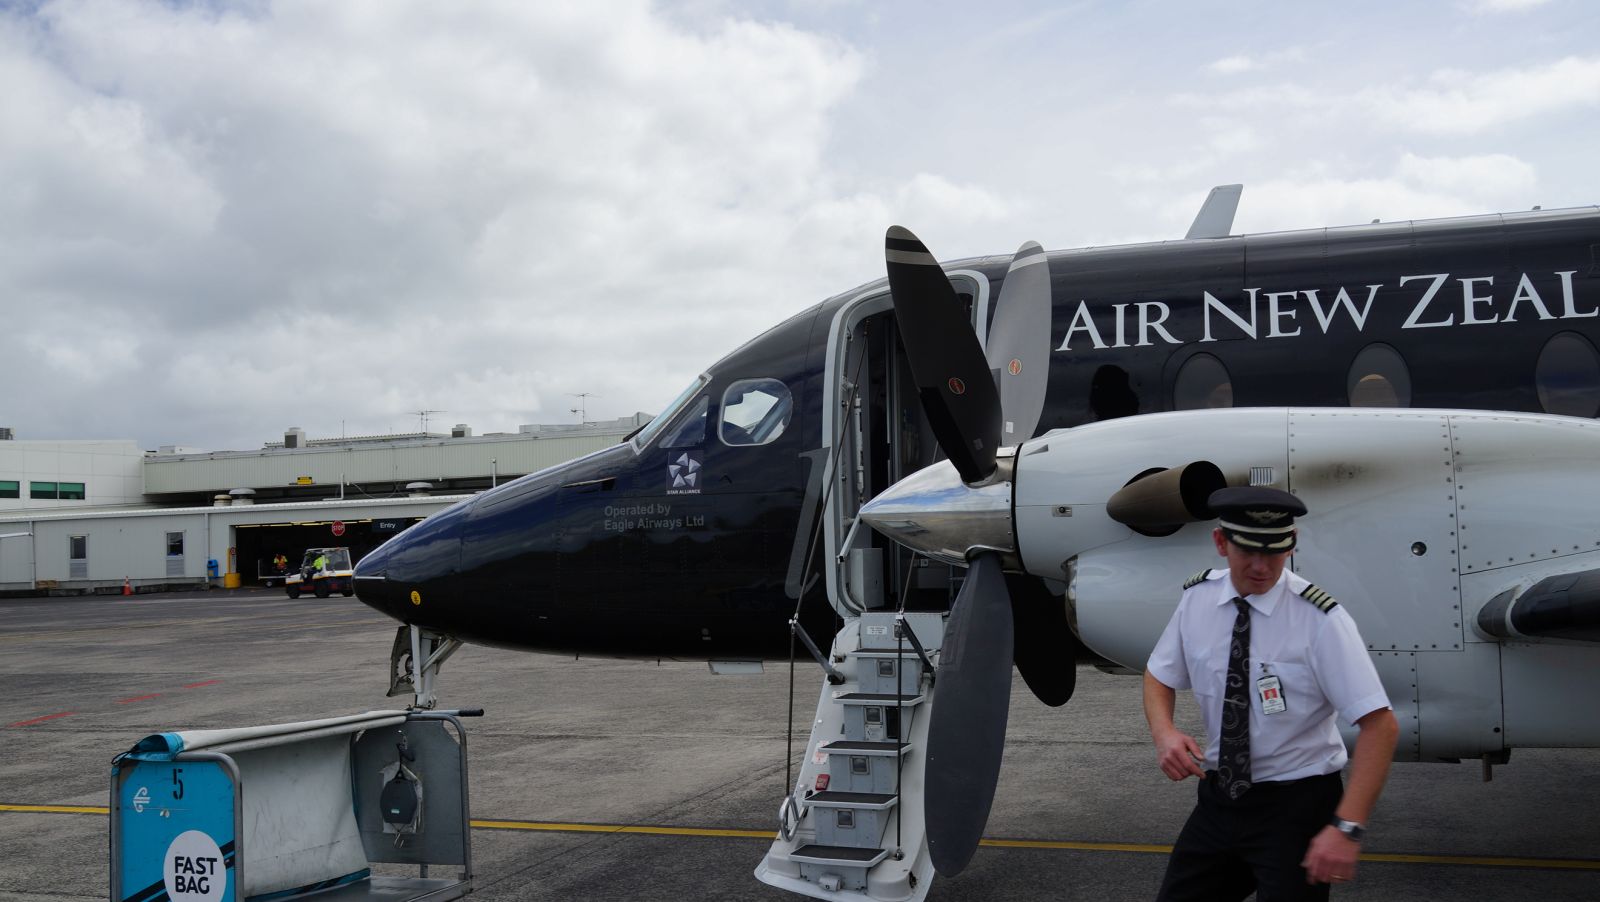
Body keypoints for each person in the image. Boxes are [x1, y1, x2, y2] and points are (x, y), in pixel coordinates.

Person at [1143, 486, 1399, 901]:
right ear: (1221, 543)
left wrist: (1347, 827)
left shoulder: (1320, 620)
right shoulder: (1198, 600)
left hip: (1296, 807)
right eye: (1248, 552)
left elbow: (1380, 725)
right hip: (1220, 800)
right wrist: (1164, 733)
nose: (1262, 567)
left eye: (1275, 552)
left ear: (1292, 543)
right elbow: (1158, 675)